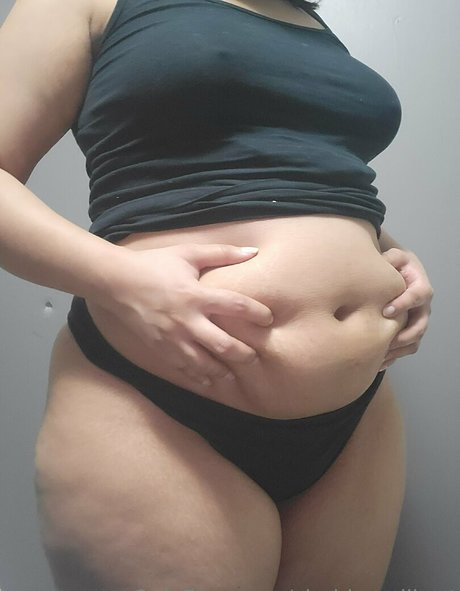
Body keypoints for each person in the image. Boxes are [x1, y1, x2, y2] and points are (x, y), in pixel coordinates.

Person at [0, 0, 433, 588]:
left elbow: (302, 177)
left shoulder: (311, 24)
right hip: (156, 403)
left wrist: (390, 255)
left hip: (358, 415)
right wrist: (121, 278)